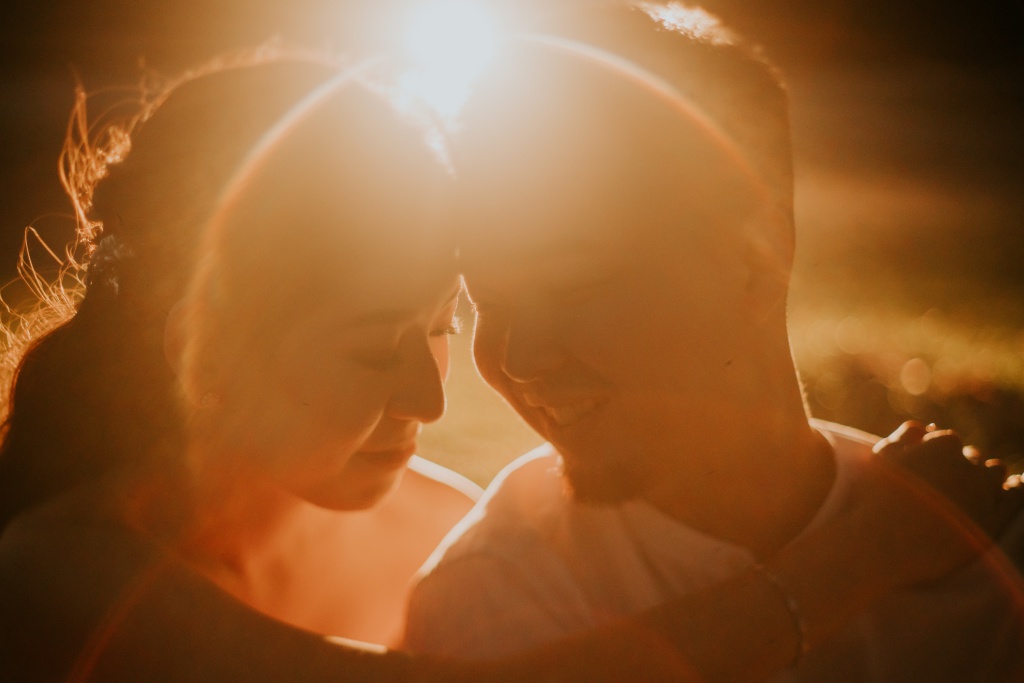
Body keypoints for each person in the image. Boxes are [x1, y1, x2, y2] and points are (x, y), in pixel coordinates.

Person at [0, 34, 1015, 683]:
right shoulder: (58, 573)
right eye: (375, 346)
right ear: (199, 351)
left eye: (442, 325)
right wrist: (864, 551)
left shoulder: (445, 524)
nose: (431, 397)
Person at [404, 3, 1024, 680]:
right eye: (488, 301)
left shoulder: (985, 554)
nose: (517, 360)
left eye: (575, 285)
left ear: (755, 262)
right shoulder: (492, 601)